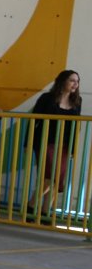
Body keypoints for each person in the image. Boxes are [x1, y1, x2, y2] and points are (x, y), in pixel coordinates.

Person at [29, 69, 82, 220]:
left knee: (57, 179)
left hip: (65, 145)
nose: (75, 84)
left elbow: (75, 126)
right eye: (72, 80)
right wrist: (29, 142)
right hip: (46, 142)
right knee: (50, 176)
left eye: (77, 81)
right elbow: (34, 121)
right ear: (62, 81)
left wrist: (72, 148)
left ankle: (45, 212)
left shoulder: (77, 101)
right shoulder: (47, 98)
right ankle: (32, 205)